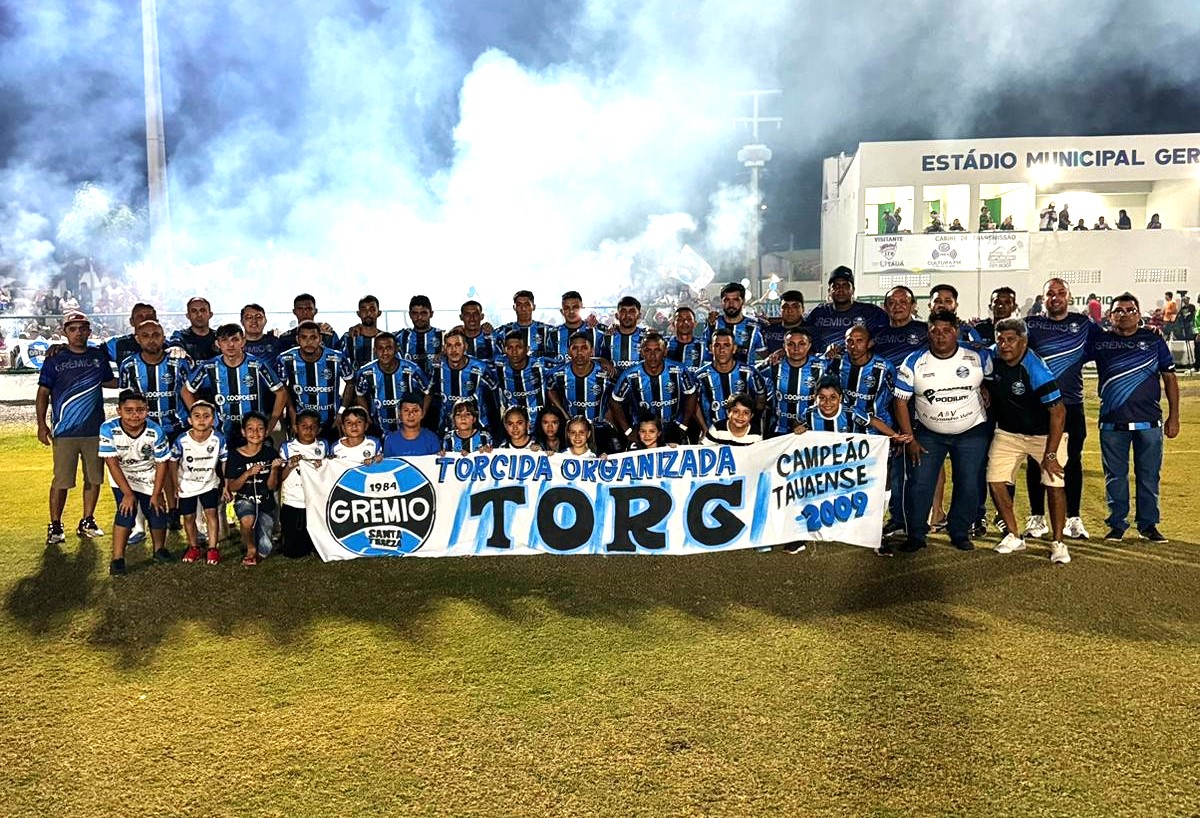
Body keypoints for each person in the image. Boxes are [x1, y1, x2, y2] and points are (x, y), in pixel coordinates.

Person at [893, 311, 993, 554]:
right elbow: (900, 402)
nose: (940, 336)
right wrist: (909, 438)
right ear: (927, 333)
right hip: (929, 434)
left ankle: (959, 532)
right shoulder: (914, 361)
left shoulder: (978, 355)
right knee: (919, 484)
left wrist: (985, 388)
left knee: (969, 484)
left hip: (972, 431)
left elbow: (993, 379)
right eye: (934, 331)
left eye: (946, 330)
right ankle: (916, 535)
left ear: (956, 332)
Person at [1091, 294, 1179, 543]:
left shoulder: (1153, 339)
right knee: (1115, 477)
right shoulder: (1101, 342)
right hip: (1112, 421)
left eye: (1131, 310)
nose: (1125, 314)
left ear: (1139, 315)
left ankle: (1148, 525)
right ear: (1110, 316)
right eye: (1119, 310)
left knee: (1149, 476)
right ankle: (1117, 524)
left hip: (1149, 421)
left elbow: (1170, 378)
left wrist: (1174, 416)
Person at [985, 319, 1071, 565]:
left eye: (1010, 340)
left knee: (1054, 483)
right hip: (1009, 433)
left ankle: (1058, 542)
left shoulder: (1036, 370)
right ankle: (1014, 535)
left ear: (1023, 341)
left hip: (1043, 435)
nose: (1004, 345)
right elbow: (977, 362)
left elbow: (1059, 412)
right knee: (995, 480)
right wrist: (983, 388)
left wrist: (1050, 455)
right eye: (1000, 340)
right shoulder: (991, 356)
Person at [1024, 278, 1103, 541]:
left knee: (1073, 460)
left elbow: (1109, 342)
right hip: (1038, 405)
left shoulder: (1083, 325)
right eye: (1050, 293)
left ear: (1069, 297)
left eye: (1061, 293)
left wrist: (1146, 331)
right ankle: (1037, 517)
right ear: (1043, 298)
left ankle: (1073, 519)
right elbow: (1009, 347)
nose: (1055, 297)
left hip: (1071, 404)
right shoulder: (1031, 324)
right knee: (1035, 459)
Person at [35, 310, 115, 545]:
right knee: (61, 481)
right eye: (73, 329)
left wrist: (136, 379)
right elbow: (43, 393)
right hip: (65, 431)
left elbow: (108, 381)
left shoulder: (97, 356)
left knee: (94, 478)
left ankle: (87, 520)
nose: (78, 333)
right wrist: (41, 424)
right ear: (65, 332)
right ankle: (55, 525)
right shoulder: (54, 359)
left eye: (82, 328)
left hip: (95, 430)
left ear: (89, 331)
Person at [100, 390, 174, 576]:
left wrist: (157, 494)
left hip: (149, 476)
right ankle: (117, 559)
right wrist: (127, 494)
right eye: (129, 410)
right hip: (123, 477)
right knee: (126, 512)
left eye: (140, 410)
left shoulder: (155, 430)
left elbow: (162, 464)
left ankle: (159, 549)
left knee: (157, 511)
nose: (135, 415)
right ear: (119, 411)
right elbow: (112, 464)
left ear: (147, 410)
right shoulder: (108, 429)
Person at [183, 323, 288, 446]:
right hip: (222, 433)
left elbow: (281, 392)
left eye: (235, 339)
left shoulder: (257, 365)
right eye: (224, 340)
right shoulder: (209, 367)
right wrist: (201, 418)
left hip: (254, 434)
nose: (230, 344)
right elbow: (186, 391)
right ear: (217, 344)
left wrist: (271, 423)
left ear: (243, 341)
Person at [610, 331, 697, 446]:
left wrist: (684, 425)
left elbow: (692, 394)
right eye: (647, 350)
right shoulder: (630, 375)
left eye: (657, 350)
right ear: (641, 352)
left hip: (673, 430)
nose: (652, 355)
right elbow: (614, 401)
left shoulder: (679, 370)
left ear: (665, 351)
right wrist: (628, 431)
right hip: (644, 433)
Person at [275, 320, 352, 442]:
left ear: (320, 338)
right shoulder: (286, 359)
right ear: (297, 339)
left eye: (313, 337)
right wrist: (291, 412)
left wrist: (341, 412)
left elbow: (351, 382)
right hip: (301, 422)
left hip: (332, 421)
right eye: (304, 337)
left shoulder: (336, 358)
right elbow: (282, 386)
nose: (309, 342)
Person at [172, 400, 227, 566]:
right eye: (197, 416)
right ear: (190, 420)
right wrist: (175, 484)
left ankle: (212, 548)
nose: (201, 420)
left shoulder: (219, 439)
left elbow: (224, 461)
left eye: (206, 416)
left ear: (213, 420)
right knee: (189, 517)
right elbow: (173, 461)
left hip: (209, 483)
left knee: (211, 513)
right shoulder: (182, 440)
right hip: (186, 485)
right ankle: (193, 546)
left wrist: (225, 485)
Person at [224, 412, 282, 566]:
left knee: (265, 549)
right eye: (250, 429)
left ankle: (256, 538)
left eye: (260, 428)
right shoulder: (235, 455)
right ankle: (250, 548)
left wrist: (274, 470)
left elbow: (272, 486)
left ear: (266, 431)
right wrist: (247, 474)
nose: (255, 433)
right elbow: (232, 487)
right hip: (245, 499)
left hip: (265, 501)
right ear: (243, 432)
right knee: (248, 520)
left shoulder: (270, 453)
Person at [549, 331, 620, 454]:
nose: (579, 352)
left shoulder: (605, 372)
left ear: (591, 351)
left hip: (600, 429)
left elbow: (616, 399)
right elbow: (550, 389)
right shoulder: (559, 374)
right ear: (569, 352)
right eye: (575, 348)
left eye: (584, 348)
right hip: (573, 432)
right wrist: (563, 413)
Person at [692, 328, 768, 437]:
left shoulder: (749, 373)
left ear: (734, 348)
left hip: (743, 434)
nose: (722, 350)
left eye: (727, 345)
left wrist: (752, 423)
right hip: (713, 434)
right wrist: (704, 428)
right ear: (711, 348)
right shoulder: (700, 376)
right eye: (717, 345)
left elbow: (761, 399)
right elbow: (693, 404)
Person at [353, 332, 431, 435]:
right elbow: (359, 395)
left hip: (409, 428)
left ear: (396, 349)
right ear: (375, 350)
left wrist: (422, 413)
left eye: (388, 348)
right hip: (379, 428)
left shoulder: (412, 369)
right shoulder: (365, 372)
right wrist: (367, 415)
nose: (385, 352)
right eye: (380, 348)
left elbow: (428, 392)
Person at [759, 327, 828, 437]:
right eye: (790, 344)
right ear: (784, 346)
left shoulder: (822, 366)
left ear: (809, 346)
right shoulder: (774, 364)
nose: (796, 349)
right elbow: (751, 374)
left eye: (802, 344)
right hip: (779, 429)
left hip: (811, 429)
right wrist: (767, 360)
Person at [278, 410, 328, 559]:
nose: (308, 430)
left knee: (318, 545)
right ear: (295, 428)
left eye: (313, 426)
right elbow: (280, 477)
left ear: (319, 429)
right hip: (293, 502)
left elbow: (329, 471)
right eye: (304, 426)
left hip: (316, 502)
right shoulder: (287, 447)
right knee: (293, 552)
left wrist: (323, 466)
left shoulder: (323, 445)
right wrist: (290, 465)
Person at [426, 328, 496, 436]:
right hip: (447, 429)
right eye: (449, 345)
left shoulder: (480, 368)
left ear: (465, 347)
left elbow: (495, 393)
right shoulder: (438, 368)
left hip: (478, 429)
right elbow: (429, 392)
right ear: (444, 349)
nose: (453, 350)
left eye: (458, 345)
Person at [804, 266, 889, 353]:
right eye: (836, 286)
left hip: (859, 361)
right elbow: (803, 336)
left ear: (853, 290)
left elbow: (887, 333)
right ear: (829, 291)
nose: (840, 289)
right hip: (823, 360)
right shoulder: (818, 313)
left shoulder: (871, 312)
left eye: (845, 285)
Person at [705, 282, 766, 365]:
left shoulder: (754, 327)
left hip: (745, 373)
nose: (731, 304)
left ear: (743, 301)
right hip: (717, 373)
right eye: (727, 300)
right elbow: (704, 352)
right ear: (722, 302)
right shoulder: (713, 324)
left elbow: (766, 355)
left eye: (735, 300)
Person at [547, 290, 606, 371]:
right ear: (562, 311)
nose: (571, 311)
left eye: (575, 307)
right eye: (567, 308)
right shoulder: (553, 334)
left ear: (582, 308)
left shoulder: (597, 331)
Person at [492, 290, 551, 362]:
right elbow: (495, 357)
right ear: (514, 307)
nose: (523, 308)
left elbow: (555, 357)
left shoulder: (547, 330)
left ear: (534, 307)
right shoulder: (502, 331)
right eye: (519, 305)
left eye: (527, 304)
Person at [396, 295, 443, 378]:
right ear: (410, 315)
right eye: (415, 313)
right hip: (409, 385)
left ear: (431, 314)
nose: (419, 317)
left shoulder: (442, 336)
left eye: (423, 313)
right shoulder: (401, 336)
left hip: (438, 384)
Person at [341, 295, 383, 373]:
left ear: (379, 313)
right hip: (356, 380)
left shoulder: (385, 339)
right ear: (358, 313)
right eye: (364, 310)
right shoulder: (349, 337)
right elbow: (337, 359)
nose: (368, 313)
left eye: (372, 309)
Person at [170, 296, 219, 362]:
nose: (199, 314)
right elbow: (175, 343)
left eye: (202, 310)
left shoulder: (219, 337)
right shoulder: (180, 336)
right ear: (188, 316)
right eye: (194, 311)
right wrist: (176, 348)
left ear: (210, 314)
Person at [607, 295, 647, 372]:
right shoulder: (607, 337)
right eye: (623, 311)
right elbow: (600, 359)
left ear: (639, 316)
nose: (627, 315)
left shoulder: (646, 337)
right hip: (614, 380)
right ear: (616, 316)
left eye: (632, 311)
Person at [665, 306, 710, 373]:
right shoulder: (664, 345)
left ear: (695, 324)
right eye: (680, 319)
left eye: (689, 319)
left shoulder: (704, 346)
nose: (685, 322)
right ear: (673, 324)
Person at [761, 290, 805, 355]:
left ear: (803, 309)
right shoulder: (769, 329)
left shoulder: (810, 331)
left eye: (795, 307)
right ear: (780, 309)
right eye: (785, 307)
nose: (790, 311)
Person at [240, 303, 282, 369]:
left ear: (265, 320)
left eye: (258, 317)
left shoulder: (276, 343)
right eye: (249, 317)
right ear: (242, 322)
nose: (254, 321)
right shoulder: (235, 344)